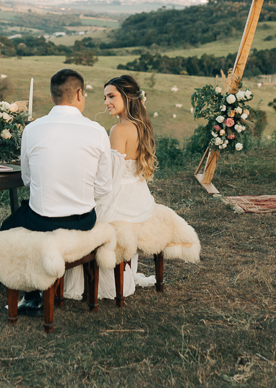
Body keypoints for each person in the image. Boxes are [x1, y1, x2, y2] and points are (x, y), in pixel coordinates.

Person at [63, 74, 199, 301]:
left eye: (111, 96)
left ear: (127, 97)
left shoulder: (119, 130)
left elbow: (111, 178)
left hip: (120, 199)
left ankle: (88, 282)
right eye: (105, 97)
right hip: (140, 200)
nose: (106, 102)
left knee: (77, 216)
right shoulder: (141, 125)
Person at [0, 67, 112, 315]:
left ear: (52, 97)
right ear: (80, 94)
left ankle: (31, 295)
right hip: (83, 221)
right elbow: (103, 187)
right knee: (26, 215)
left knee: (8, 226)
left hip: (41, 219)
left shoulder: (32, 129)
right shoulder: (97, 131)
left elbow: (27, 180)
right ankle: (41, 291)